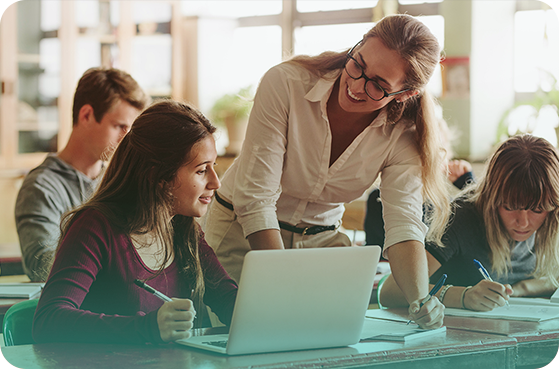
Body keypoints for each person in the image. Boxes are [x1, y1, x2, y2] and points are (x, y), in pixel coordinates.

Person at [203, 14, 450, 329]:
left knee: (323, 344)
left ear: (404, 94)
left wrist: (420, 301)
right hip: (244, 233)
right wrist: (275, 283)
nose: (356, 86)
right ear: (357, 46)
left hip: (319, 243)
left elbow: (403, 227)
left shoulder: (405, 134)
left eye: (378, 85)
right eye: (358, 65)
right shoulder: (286, 83)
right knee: (243, 337)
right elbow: (255, 199)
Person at [33, 100, 237, 344]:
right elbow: (48, 321)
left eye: (213, 167)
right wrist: (148, 327)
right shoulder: (95, 226)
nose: (216, 183)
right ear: (157, 175)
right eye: (202, 170)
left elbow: (230, 301)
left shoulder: (184, 230)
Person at [380, 134, 559, 311]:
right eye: (510, 207)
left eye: (537, 210)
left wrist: (522, 289)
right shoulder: (461, 217)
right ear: (492, 197)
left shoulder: (552, 220)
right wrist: (462, 296)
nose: (523, 222)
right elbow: (389, 292)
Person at [15, 67, 149, 282]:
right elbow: (41, 266)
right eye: (119, 126)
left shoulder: (120, 182)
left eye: (130, 130)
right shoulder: (40, 187)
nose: (127, 139)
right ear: (86, 115)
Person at [365, 159, 475, 249]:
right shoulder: (378, 198)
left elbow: (479, 229)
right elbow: (375, 249)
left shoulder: (446, 205)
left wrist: (469, 183)